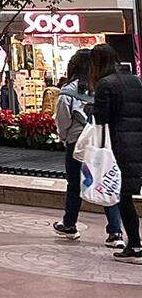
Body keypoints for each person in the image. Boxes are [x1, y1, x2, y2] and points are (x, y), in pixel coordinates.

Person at [52, 49, 124, 247]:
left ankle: (69, 224)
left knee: (74, 184)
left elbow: (63, 121)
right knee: (106, 182)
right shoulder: (105, 87)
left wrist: (65, 138)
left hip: (77, 144)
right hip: (103, 143)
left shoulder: (68, 91)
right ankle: (115, 231)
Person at [88, 44, 142, 262]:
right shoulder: (136, 81)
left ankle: (136, 245)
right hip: (138, 142)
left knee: (124, 197)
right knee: (128, 194)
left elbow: (100, 119)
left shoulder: (105, 84)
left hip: (119, 146)